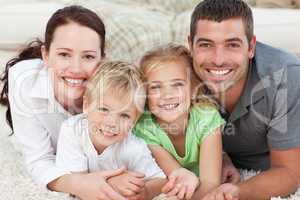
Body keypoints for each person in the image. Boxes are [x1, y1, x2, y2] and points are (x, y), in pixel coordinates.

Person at [0, 5, 128, 200]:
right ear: (45, 55)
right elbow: (40, 159)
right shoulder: (23, 80)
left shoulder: (112, 89)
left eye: (88, 56)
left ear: (102, 61)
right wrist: (80, 184)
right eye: (64, 54)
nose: (75, 68)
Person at [188, 0, 300, 199]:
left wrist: (237, 192)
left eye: (232, 45)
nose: (218, 59)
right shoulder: (180, 73)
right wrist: (220, 156)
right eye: (206, 44)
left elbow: (289, 172)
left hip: (269, 168)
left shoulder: (286, 76)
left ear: (251, 47)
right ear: (191, 45)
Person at [55, 61, 167, 200]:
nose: (112, 123)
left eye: (125, 115)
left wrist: (145, 192)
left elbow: (160, 180)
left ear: (135, 121)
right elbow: (79, 186)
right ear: (86, 105)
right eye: (104, 109)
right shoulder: (72, 131)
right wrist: (112, 183)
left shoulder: (133, 147)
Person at [134, 44, 229, 199]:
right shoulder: (144, 128)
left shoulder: (206, 117)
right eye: (155, 87)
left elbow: (210, 184)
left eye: (177, 84)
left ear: (193, 90)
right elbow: (178, 181)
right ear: (145, 94)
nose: (167, 95)